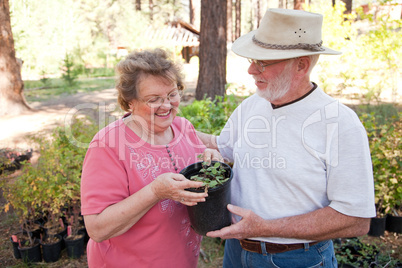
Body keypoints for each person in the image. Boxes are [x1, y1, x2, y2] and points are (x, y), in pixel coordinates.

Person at [198, 8, 376, 268]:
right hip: (236, 251)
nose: (250, 69)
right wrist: (171, 128)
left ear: (301, 65)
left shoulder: (339, 123)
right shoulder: (251, 106)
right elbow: (225, 149)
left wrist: (266, 227)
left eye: (262, 62)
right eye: (251, 59)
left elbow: (355, 218)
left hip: (296, 258)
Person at [81, 48, 221, 267]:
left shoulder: (183, 128)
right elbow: (97, 229)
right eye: (154, 99)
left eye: (172, 94)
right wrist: (155, 192)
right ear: (130, 102)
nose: (167, 106)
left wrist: (211, 163)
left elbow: (197, 180)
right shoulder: (109, 144)